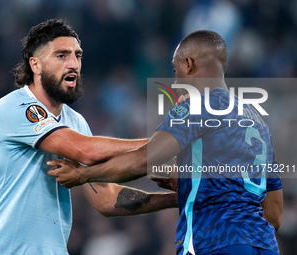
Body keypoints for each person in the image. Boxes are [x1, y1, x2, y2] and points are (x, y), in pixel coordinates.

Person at [47, 30, 283, 255]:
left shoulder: (194, 106)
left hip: (213, 242)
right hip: (265, 245)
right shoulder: (258, 121)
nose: (175, 78)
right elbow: (274, 213)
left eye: (175, 69)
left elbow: (141, 161)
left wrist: (83, 175)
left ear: (188, 64)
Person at [0, 19, 178, 255]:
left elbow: (106, 199)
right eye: (61, 55)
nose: (73, 63)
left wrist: (175, 198)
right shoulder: (15, 107)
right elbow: (85, 150)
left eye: (78, 55)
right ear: (36, 65)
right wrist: (171, 142)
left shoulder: (75, 122)